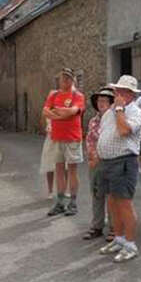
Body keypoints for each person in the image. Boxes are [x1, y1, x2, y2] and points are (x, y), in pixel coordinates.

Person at [97, 75, 141, 262]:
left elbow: (124, 130)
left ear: (131, 94)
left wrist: (118, 109)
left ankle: (131, 243)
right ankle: (118, 238)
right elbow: (105, 132)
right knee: (112, 201)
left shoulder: (135, 112)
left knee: (124, 202)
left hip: (124, 161)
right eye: (118, 91)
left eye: (124, 91)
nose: (119, 94)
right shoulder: (110, 112)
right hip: (108, 162)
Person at [43, 68, 85, 217]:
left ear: (72, 80)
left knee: (72, 171)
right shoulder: (54, 95)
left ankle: (73, 202)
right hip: (57, 137)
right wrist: (62, 114)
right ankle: (60, 202)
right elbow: (45, 112)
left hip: (72, 138)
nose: (65, 81)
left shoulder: (77, 96)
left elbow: (73, 111)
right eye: (62, 78)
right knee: (59, 170)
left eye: (68, 78)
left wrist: (57, 113)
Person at [83, 86, 115, 241]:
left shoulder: (115, 120)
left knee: (111, 195)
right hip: (95, 162)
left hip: (110, 161)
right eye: (99, 101)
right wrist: (91, 156)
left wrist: (100, 156)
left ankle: (114, 228)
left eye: (105, 101)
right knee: (97, 194)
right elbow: (89, 140)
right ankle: (97, 226)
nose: (101, 103)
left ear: (111, 104)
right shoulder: (93, 121)